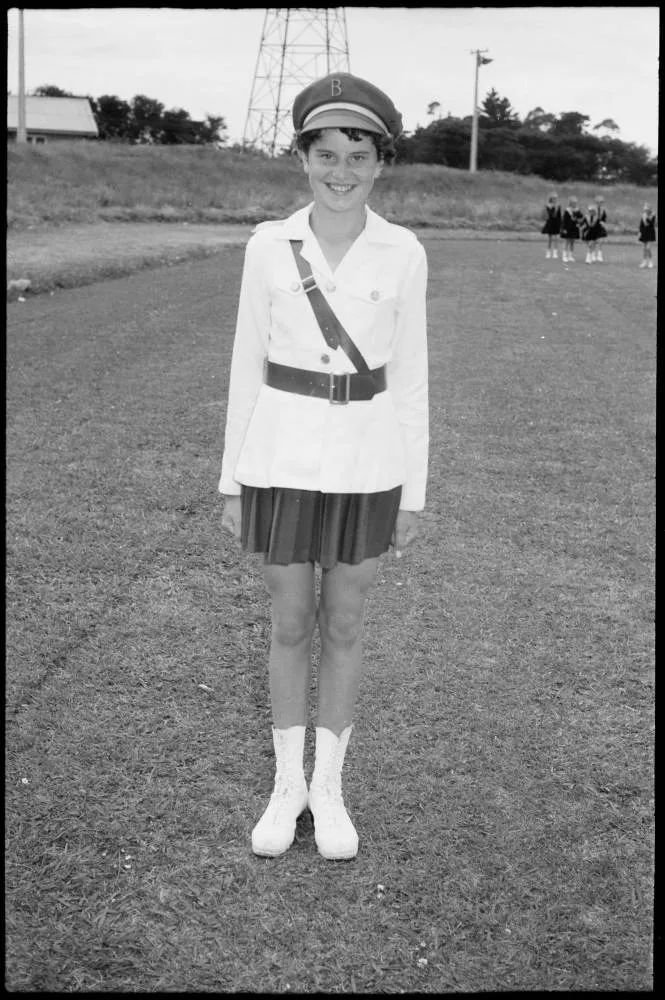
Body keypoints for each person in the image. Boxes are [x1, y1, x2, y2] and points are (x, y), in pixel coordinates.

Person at [219, 72, 429, 861]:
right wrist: (231, 480)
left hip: (368, 464)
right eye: (327, 153)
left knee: (344, 623)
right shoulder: (267, 246)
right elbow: (246, 364)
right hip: (279, 457)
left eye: (359, 155)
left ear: (381, 163)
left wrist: (412, 492)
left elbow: (410, 377)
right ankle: (286, 787)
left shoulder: (403, 251)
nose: (342, 171)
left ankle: (329, 788)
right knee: (289, 622)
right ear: (303, 157)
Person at [560, 196, 583, 263]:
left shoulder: (577, 210)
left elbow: (581, 217)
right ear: (570, 203)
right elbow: (564, 221)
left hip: (574, 228)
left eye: (575, 202)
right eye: (573, 202)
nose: (575, 204)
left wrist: (579, 222)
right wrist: (563, 229)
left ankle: (570, 256)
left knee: (572, 242)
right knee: (566, 241)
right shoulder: (567, 210)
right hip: (567, 228)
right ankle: (564, 256)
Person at [541, 191, 561, 258]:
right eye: (554, 198)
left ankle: (555, 253)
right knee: (549, 239)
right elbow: (550, 214)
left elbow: (559, 216)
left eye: (556, 198)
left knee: (556, 238)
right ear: (551, 198)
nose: (555, 199)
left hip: (556, 223)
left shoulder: (558, 206)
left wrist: (560, 224)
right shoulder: (548, 206)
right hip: (550, 222)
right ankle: (548, 253)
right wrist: (554, 208)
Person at [638, 203, 656, 268]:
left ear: (649, 209)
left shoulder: (653, 215)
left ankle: (650, 262)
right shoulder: (643, 215)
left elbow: (650, 224)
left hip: (650, 233)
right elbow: (641, 225)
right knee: (644, 248)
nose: (645, 210)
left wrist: (647, 218)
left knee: (648, 248)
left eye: (647, 209)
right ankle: (644, 262)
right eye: (645, 209)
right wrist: (640, 232)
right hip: (644, 233)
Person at [594, 194, 608, 261]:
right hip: (594, 226)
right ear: (596, 202)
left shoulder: (603, 210)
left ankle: (599, 255)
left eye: (602, 202)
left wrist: (603, 223)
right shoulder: (593, 209)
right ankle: (593, 254)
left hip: (601, 226)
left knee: (601, 240)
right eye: (599, 202)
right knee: (593, 241)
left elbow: (604, 218)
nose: (601, 203)